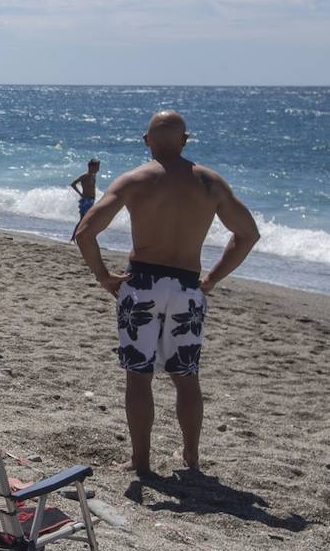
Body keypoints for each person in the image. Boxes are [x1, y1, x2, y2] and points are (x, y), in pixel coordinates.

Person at [74, 110, 260, 476]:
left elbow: (85, 232)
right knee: (185, 376)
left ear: (147, 141)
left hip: (141, 284)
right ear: (185, 140)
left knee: (139, 377)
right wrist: (212, 279)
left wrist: (105, 277)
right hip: (187, 287)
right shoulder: (210, 183)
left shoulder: (135, 180)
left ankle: (140, 462)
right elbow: (248, 235)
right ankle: (190, 457)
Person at [70, 158, 102, 241]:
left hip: (91, 200)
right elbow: (73, 184)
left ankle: (85, 237)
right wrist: (81, 194)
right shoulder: (85, 175)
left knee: (89, 220)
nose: (98, 169)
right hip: (86, 201)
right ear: (91, 167)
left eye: (98, 167)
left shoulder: (93, 175)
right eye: (97, 167)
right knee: (83, 220)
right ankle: (73, 238)